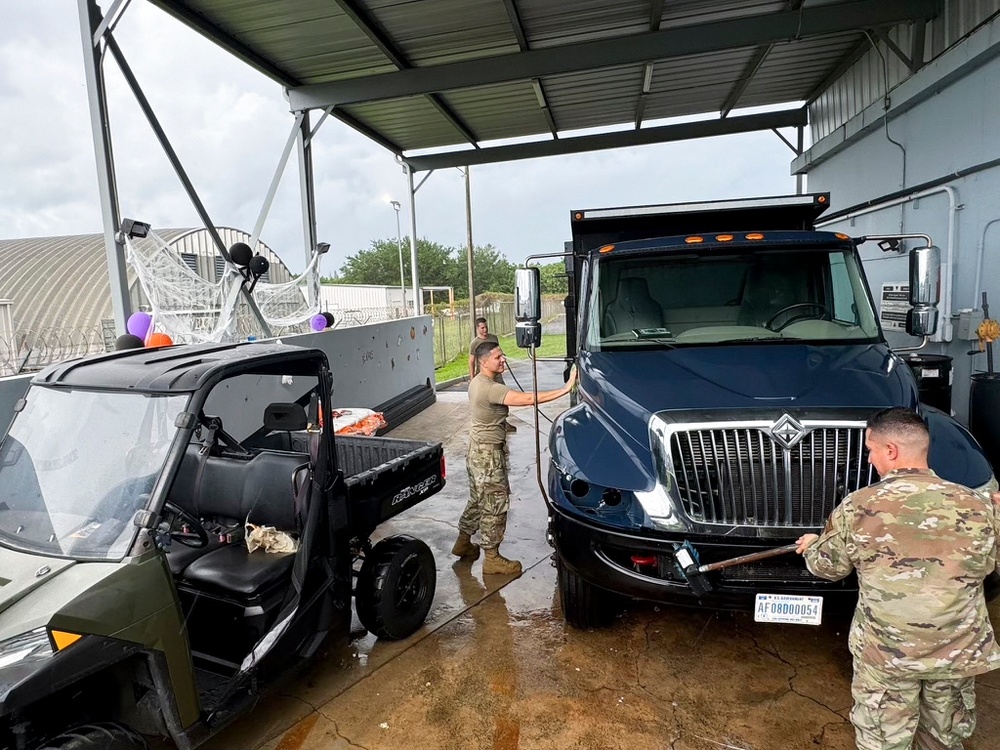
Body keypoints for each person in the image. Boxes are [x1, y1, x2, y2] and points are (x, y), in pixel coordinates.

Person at [795, 407, 1000, 750]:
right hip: (955, 653)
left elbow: (827, 568)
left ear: (890, 450)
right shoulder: (978, 505)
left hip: (887, 655)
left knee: (884, 741)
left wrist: (814, 544)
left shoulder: (859, 506)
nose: (871, 459)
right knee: (943, 739)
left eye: (871, 450)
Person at [453, 340, 576, 575]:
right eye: (498, 357)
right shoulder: (489, 388)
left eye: (503, 355)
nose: (503, 360)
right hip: (488, 455)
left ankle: (463, 541)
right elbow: (526, 399)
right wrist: (565, 388)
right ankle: (492, 558)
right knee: (495, 504)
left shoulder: (482, 380)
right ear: (483, 362)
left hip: (477, 451)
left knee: (479, 498)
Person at [468, 316, 515, 432]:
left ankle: (504, 422)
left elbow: (498, 351)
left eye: (486, 327)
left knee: (502, 395)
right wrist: (472, 378)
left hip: (497, 375)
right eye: (482, 328)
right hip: (485, 375)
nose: (485, 330)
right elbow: (471, 361)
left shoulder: (493, 338)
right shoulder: (475, 343)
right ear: (477, 328)